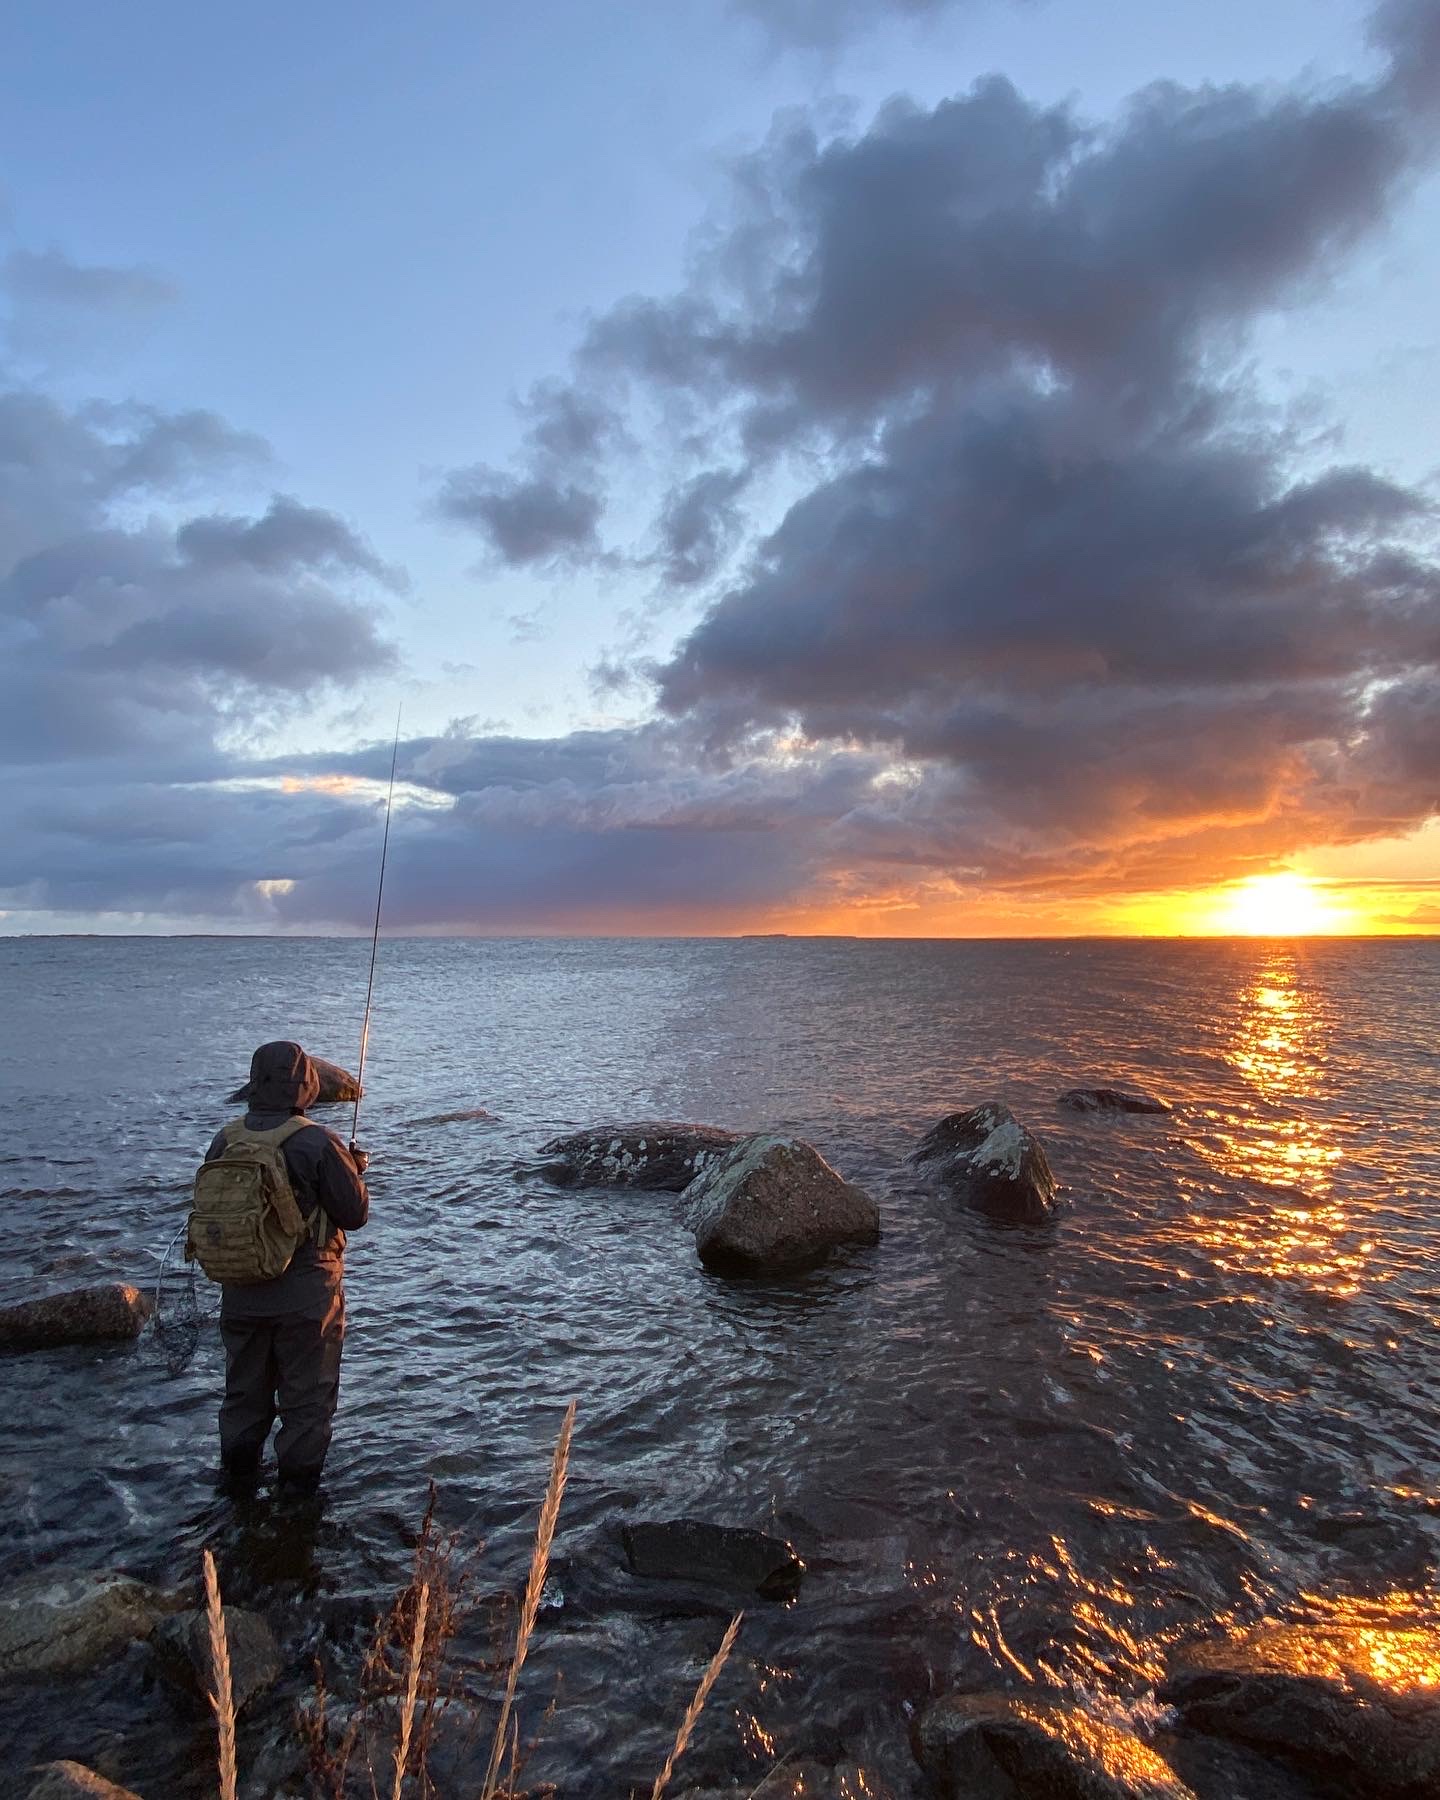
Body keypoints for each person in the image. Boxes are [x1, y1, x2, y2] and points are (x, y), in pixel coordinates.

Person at [203, 1040, 369, 1495]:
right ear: (307, 1086)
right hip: (307, 1299)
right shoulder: (318, 1141)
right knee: (307, 1402)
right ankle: (297, 1506)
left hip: (239, 1290)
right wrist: (354, 1170)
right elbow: (354, 1214)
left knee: (242, 1396)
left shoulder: (226, 1138)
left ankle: (236, 1492)